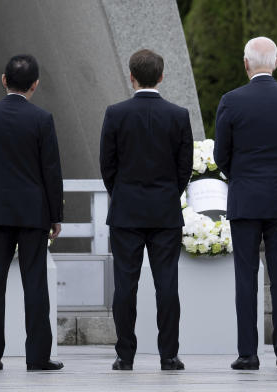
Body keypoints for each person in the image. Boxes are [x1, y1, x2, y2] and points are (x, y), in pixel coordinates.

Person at [214, 36, 277, 371]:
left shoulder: (231, 100)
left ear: (245, 64)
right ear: (276, 62)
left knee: (246, 277)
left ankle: (248, 353)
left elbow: (220, 155)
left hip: (246, 198)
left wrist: (241, 177)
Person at [0, 54, 64, 372]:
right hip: (33, 213)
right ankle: (37, 356)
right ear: (35, 84)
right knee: (35, 284)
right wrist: (55, 215)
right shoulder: (42, 119)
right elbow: (51, 170)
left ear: (4, 80)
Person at [100, 49, 193, 371]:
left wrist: (122, 193)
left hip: (126, 210)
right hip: (165, 210)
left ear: (131, 76)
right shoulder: (178, 115)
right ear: (162, 76)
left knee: (125, 284)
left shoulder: (115, 113)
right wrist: (169, 194)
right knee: (167, 283)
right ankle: (169, 354)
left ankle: (125, 355)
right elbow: (185, 167)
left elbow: (107, 165)